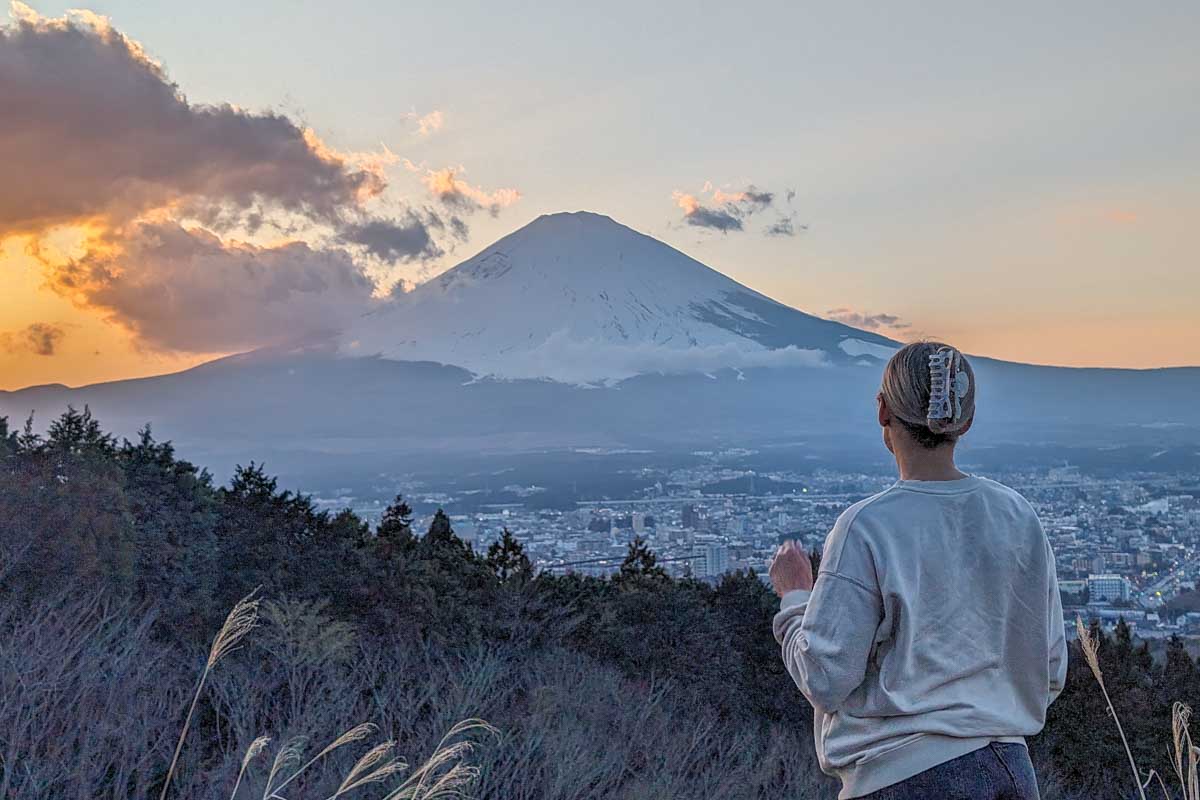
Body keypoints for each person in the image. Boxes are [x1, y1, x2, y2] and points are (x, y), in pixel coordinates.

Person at [769, 342, 1067, 800]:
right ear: (965, 420)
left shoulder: (868, 527)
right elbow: (1050, 666)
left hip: (904, 777)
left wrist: (795, 599)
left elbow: (825, 677)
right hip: (1012, 770)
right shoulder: (1017, 515)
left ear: (882, 411)